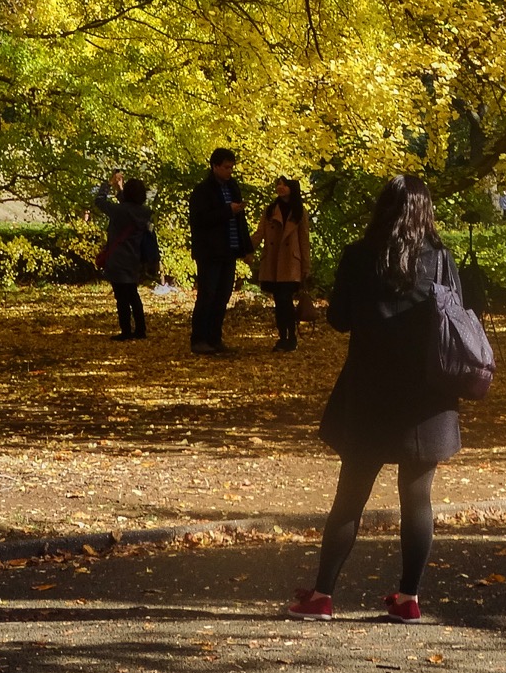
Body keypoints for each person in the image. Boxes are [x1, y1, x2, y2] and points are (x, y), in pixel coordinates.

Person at [288, 174, 464, 622]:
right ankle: (408, 600)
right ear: (426, 211)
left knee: (350, 496)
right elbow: (458, 316)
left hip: (369, 389)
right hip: (427, 394)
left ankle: (323, 596)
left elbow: (340, 320)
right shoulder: (441, 260)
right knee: (417, 498)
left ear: (382, 208)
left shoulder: (359, 256)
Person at [187, 148, 249, 355]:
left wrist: (245, 247)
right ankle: (199, 339)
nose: (229, 171)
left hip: (229, 250)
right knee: (208, 295)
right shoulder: (203, 191)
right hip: (210, 251)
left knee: (223, 295)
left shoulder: (233, 188)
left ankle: (215, 338)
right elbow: (199, 220)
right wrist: (226, 211)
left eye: (231, 167)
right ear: (215, 167)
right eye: (226, 167)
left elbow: (240, 221)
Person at [95, 171, 158, 340]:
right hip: (134, 259)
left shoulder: (119, 211)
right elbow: (130, 207)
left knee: (121, 297)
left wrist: (107, 185)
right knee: (133, 294)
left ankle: (126, 332)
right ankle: (140, 330)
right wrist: (120, 190)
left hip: (117, 260)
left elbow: (99, 201)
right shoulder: (144, 213)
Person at [252, 177, 312, 351]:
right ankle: (283, 337)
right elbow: (259, 234)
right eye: (278, 184)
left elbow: (304, 241)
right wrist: (245, 249)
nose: (280, 187)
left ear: (292, 188)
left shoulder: (300, 212)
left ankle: (291, 337)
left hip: (291, 264)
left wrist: (306, 267)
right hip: (272, 263)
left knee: (285, 300)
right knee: (279, 302)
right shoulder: (270, 210)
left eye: (284, 184)